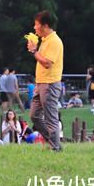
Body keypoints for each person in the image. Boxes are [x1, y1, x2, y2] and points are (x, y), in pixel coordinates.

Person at [28, 11, 64, 151]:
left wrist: (34, 52)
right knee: (34, 116)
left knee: (50, 118)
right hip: (41, 83)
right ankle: (53, 141)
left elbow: (47, 63)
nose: (34, 27)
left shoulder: (54, 41)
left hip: (49, 84)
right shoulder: (45, 40)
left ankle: (56, 148)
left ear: (46, 25)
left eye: (37, 25)